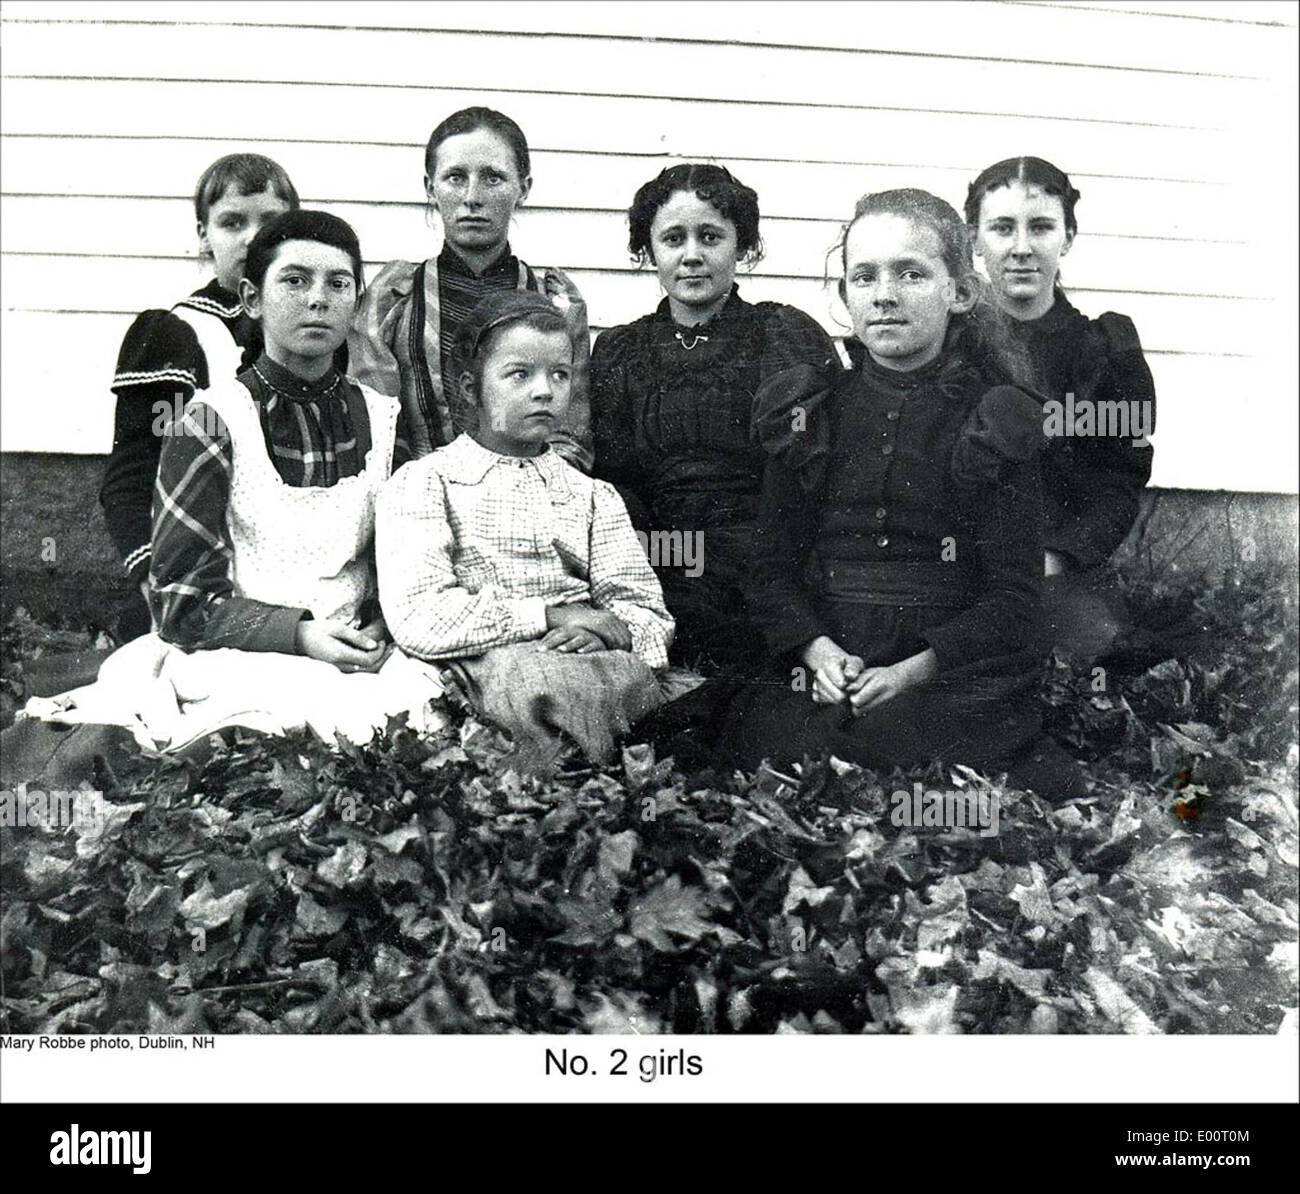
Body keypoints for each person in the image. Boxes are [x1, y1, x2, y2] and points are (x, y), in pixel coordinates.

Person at [16, 211, 442, 765]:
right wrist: (303, 636)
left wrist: (380, 623)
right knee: (306, 719)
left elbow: (403, 565)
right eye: (294, 281)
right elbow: (181, 605)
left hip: (359, 650)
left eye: (338, 283)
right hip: (235, 652)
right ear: (252, 297)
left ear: (357, 302)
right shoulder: (210, 422)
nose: (318, 299)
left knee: (422, 710)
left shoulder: (385, 419)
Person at [711, 189, 1082, 798]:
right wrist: (816, 651)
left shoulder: (994, 420)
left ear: (959, 292)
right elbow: (770, 571)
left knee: (908, 736)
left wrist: (913, 671)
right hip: (834, 656)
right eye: (864, 276)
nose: (884, 294)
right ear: (845, 297)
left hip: (943, 664)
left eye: (910, 274)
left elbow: (1013, 596)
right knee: (775, 725)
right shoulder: (809, 413)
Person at [377, 291, 673, 767]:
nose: (545, 391)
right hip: (484, 661)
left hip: (592, 660)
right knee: (541, 685)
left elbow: (647, 612)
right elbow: (418, 616)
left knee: (667, 695)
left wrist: (608, 631)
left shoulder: (593, 497)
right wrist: (552, 617)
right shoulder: (427, 482)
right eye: (520, 374)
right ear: (471, 389)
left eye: (559, 374)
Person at [590, 163, 837, 669]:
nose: (692, 255)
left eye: (710, 236)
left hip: (768, 559)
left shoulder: (781, 335)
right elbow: (614, 485)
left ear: (741, 245)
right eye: (673, 238)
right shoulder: (620, 351)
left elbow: (813, 471)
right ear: (649, 250)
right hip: (659, 560)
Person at [100, 153, 301, 639]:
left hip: (298, 572)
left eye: (271, 222)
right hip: (204, 581)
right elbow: (134, 472)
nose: (252, 237)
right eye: (232, 222)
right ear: (203, 236)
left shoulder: (317, 332)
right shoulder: (179, 336)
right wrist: (154, 573)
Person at [966, 156, 1155, 661]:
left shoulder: (1103, 352)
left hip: (1058, 567)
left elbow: (1119, 478)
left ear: (1068, 237)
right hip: (957, 565)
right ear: (974, 239)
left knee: (1082, 672)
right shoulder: (948, 343)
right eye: (1002, 228)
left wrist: (1059, 556)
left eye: (1042, 227)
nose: (1021, 248)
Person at [349, 106, 591, 468]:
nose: (472, 197)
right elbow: (375, 428)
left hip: (532, 505)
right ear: (431, 188)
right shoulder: (394, 300)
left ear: (523, 189)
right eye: (455, 177)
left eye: (492, 178)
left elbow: (571, 433)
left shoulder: (555, 304)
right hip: (415, 502)